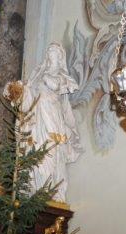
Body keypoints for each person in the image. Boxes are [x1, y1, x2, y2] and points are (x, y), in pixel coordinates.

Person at [18, 42, 83, 201]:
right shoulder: (38, 74)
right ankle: (37, 188)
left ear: (60, 57)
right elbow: (29, 94)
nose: (50, 52)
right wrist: (20, 90)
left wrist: (45, 77)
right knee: (36, 148)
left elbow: (54, 85)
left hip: (52, 117)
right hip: (38, 118)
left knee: (51, 150)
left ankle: (51, 189)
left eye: (54, 50)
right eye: (49, 50)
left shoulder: (61, 76)